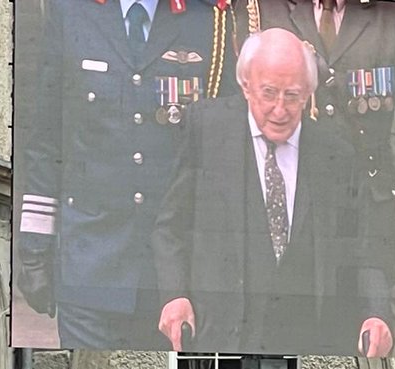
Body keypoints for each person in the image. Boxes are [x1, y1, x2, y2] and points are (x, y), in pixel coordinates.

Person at [152, 27, 394, 358]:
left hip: (308, 342)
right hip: (222, 336)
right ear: (246, 85)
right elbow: (170, 227)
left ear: (308, 93)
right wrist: (174, 295)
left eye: (292, 96)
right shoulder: (206, 129)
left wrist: (375, 313)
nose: (280, 110)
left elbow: (363, 248)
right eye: (269, 93)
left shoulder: (335, 151)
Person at [13, 0, 234, 350]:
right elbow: (46, 141)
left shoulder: (207, 19)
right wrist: (35, 250)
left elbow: (223, 148)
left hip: (173, 275)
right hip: (89, 262)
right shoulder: (72, 12)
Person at [253, 0, 395, 346]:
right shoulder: (267, 11)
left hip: (371, 215)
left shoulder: (393, 16)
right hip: (296, 211)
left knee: (376, 333)